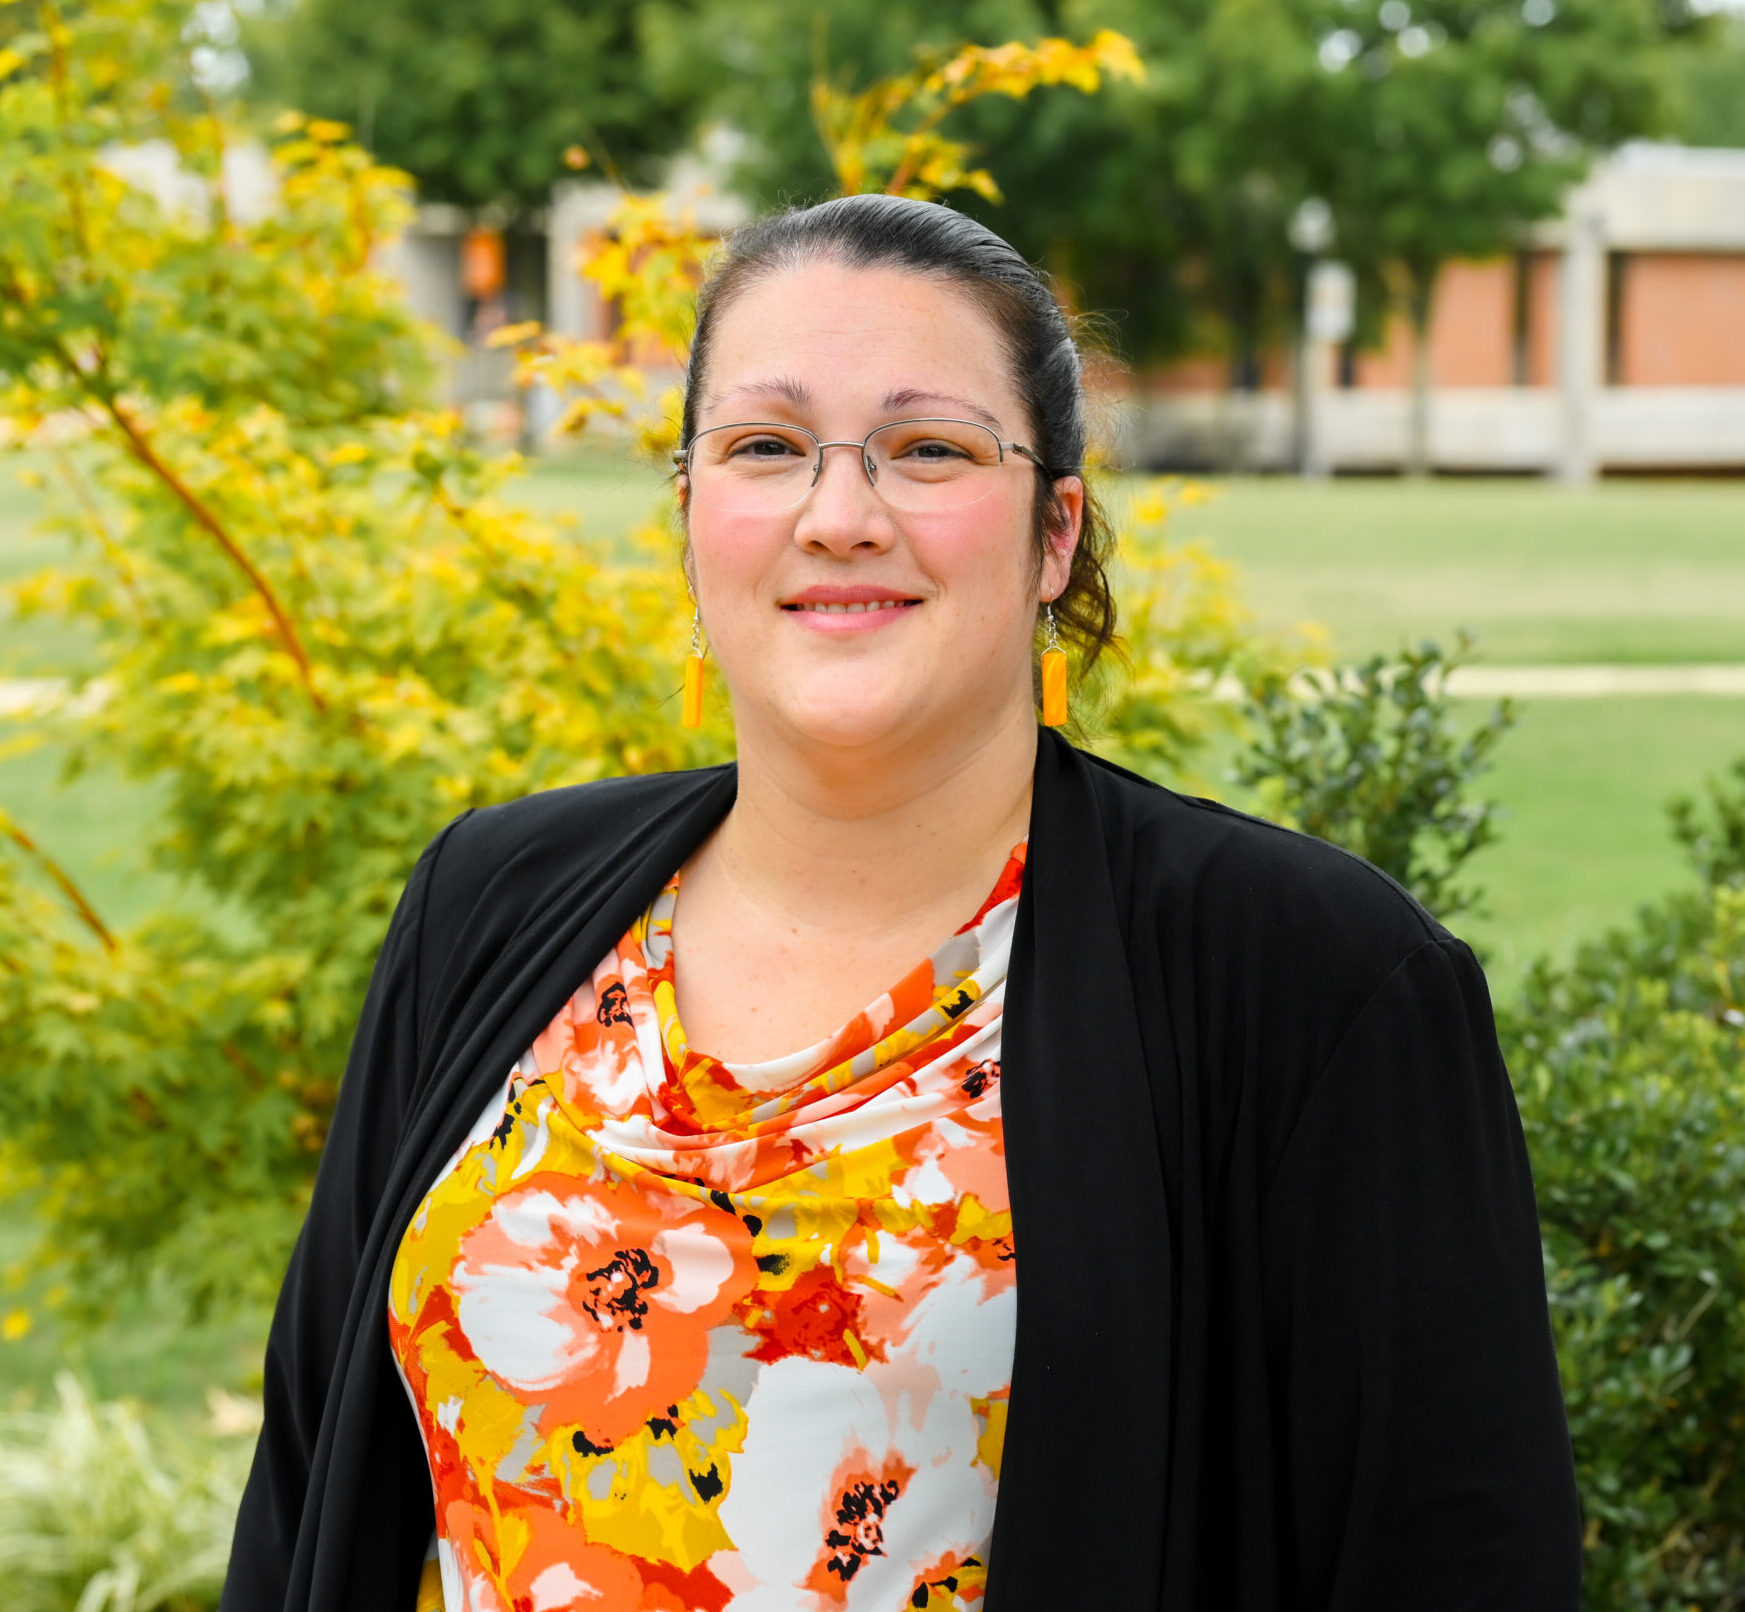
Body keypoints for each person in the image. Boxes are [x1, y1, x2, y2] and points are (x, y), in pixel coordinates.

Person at [221, 194, 1581, 1612]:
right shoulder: (488, 903)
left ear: (1055, 532)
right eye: (765, 448)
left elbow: (1454, 1557)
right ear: (692, 515)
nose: (839, 516)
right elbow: (312, 1471)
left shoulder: (1311, 981)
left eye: (926, 449)